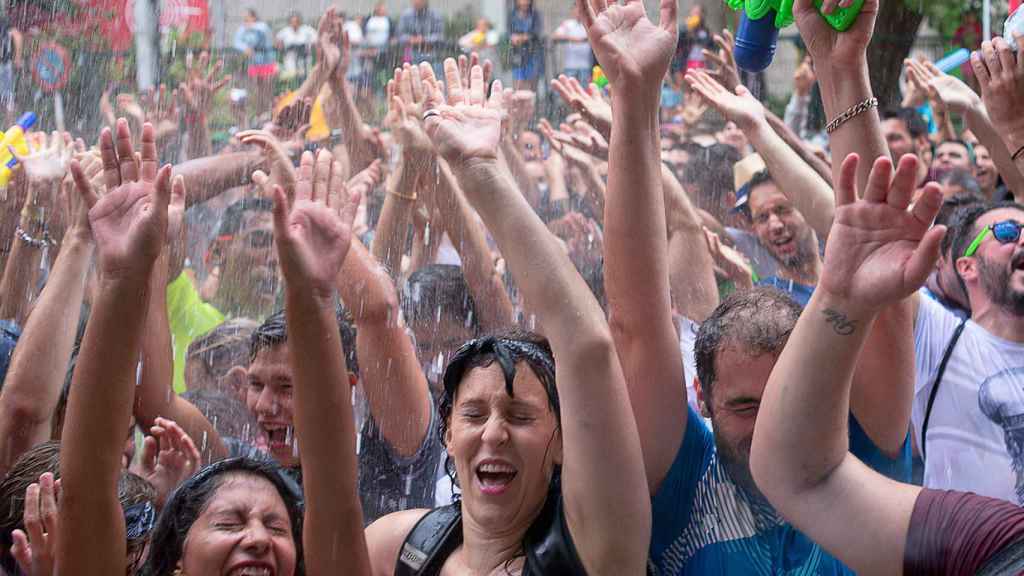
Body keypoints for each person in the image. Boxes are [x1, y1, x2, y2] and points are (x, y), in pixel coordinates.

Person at [748, 138, 1024, 576]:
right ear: (965, 266)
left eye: (782, 210)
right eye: (1008, 233)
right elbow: (877, 248)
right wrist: (841, 298)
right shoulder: (989, 538)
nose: (775, 224)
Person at [234, 9, 277, 116]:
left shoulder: (261, 26)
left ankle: (269, 113)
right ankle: (259, 114)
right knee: (257, 91)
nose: (245, 20)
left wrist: (252, 26)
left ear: (253, 17)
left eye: (247, 17)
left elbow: (265, 32)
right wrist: (245, 48)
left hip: (267, 62)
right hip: (254, 64)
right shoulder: (242, 29)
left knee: (268, 90)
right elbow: (237, 42)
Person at [550, 5, 593, 85]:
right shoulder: (567, 24)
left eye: (580, 11)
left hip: (586, 65)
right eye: (577, 10)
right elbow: (555, 36)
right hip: (570, 65)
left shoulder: (589, 24)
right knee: (570, 88)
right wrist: (572, 38)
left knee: (585, 90)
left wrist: (585, 39)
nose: (578, 13)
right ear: (572, 11)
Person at [508, 0, 544, 91]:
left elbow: (536, 32)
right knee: (518, 82)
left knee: (531, 83)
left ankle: (531, 102)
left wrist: (523, 37)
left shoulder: (534, 14)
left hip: (532, 52)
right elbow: (509, 32)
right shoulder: (512, 15)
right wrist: (513, 37)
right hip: (518, 53)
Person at [397, 0, 444, 66]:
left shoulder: (435, 15)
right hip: (412, 54)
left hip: (432, 54)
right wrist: (411, 39)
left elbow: (439, 36)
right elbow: (400, 35)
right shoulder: (406, 15)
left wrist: (424, 39)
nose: (417, 2)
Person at [275, 12, 317, 81]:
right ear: (289, 22)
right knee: (291, 76)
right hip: (290, 57)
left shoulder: (307, 30)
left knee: (303, 76)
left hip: (304, 57)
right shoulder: (285, 31)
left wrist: (308, 46)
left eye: (296, 21)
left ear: (300, 21)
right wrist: (281, 47)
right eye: (292, 22)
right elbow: (277, 42)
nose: (294, 23)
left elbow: (316, 40)